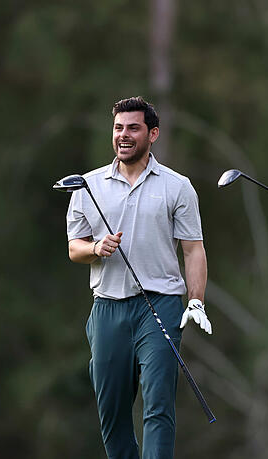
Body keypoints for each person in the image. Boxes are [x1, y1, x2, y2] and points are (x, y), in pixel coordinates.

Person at [64, 96, 212, 459]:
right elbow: (74, 248)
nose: (124, 135)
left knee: (158, 402)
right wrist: (95, 248)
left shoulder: (177, 186)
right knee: (112, 412)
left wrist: (196, 300)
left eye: (133, 128)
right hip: (107, 308)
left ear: (153, 133)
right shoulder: (87, 185)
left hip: (159, 306)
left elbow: (193, 249)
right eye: (118, 128)